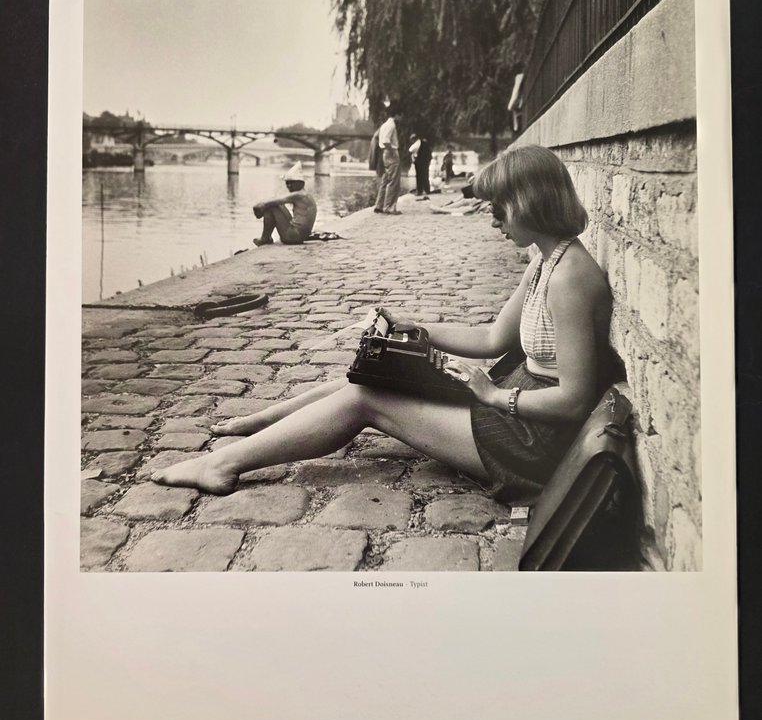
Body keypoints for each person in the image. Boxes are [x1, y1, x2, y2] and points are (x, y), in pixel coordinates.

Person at [152, 144, 615, 506]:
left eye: (499, 208)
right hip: (519, 413)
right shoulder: (547, 261)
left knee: (365, 398)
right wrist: (416, 327)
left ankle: (222, 464)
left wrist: (496, 396)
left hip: (531, 444)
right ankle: (258, 425)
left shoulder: (572, 278)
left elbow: (574, 401)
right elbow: (493, 338)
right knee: (372, 375)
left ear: (530, 202)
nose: (491, 219)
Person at [252, 162, 317, 246]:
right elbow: (276, 200)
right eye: (287, 183)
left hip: (294, 236)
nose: (289, 186)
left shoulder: (299, 195)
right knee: (275, 205)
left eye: (292, 183)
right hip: (299, 235)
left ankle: (265, 238)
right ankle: (266, 237)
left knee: (272, 206)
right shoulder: (304, 195)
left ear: (301, 183)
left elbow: (271, 202)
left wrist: (258, 208)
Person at [373, 102, 402, 215]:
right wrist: (393, 153)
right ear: (397, 114)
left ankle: (379, 205)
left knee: (385, 180)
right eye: (401, 115)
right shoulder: (391, 125)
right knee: (393, 181)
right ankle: (389, 206)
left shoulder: (384, 125)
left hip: (384, 154)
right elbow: (386, 141)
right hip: (391, 152)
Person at [409, 132, 432, 197]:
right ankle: (427, 190)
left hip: (419, 162)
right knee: (425, 175)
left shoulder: (416, 144)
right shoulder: (424, 143)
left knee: (419, 177)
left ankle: (420, 191)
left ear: (414, 139)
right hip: (425, 161)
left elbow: (410, 150)